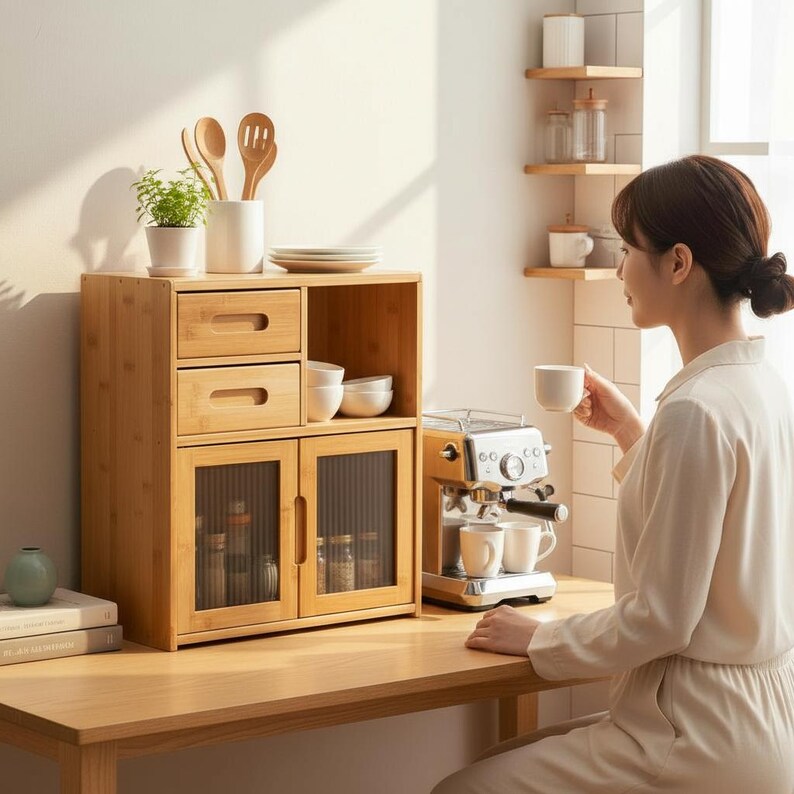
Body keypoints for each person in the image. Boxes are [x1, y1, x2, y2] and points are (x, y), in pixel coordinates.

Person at [432, 155, 794, 793]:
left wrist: (542, 638)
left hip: (695, 733)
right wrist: (631, 435)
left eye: (628, 248)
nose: (619, 268)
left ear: (678, 263)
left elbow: (662, 618)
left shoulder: (696, 409)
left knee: (459, 791)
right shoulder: (762, 387)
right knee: (512, 754)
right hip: (761, 723)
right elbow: (713, 530)